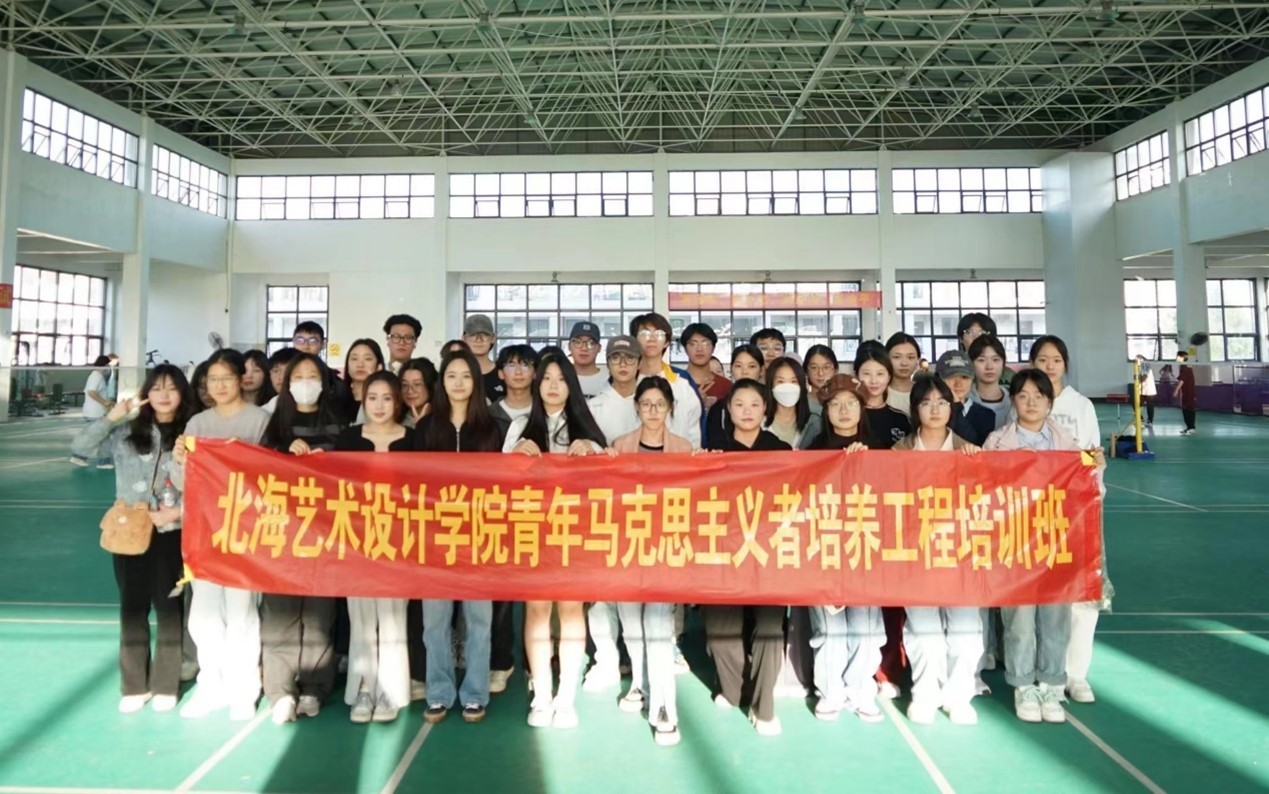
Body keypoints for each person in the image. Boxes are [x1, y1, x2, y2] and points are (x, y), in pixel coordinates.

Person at [984, 369, 1105, 724]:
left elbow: (1087, 476)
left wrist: (1096, 461)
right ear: (1013, 401)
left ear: (1050, 403)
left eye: (1039, 396)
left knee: (1055, 618)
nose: (1031, 403)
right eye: (1023, 396)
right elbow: (984, 488)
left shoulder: (1066, 444)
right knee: (1019, 621)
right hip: (1014, 544)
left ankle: (1052, 684)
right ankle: (1023, 686)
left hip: (1057, 544)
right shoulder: (997, 442)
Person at [71, 364, 194, 714]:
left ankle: (166, 684)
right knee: (132, 607)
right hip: (128, 532)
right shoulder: (126, 431)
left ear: (182, 394)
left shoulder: (192, 433)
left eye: (171, 388)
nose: (163, 395)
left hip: (172, 533)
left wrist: (178, 512)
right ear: (146, 393)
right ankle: (134, 685)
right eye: (156, 388)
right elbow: (81, 447)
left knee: (169, 609)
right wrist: (113, 416)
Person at [504, 349, 609, 729]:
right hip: (533, 532)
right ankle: (542, 695)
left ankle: (566, 696)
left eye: (561, 379)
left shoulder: (586, 427)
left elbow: (611, 477)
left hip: (574, 534)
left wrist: (594, 452)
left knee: (570, 611)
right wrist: (514, 457)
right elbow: (498, 482)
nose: (553, 385)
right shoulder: (520, 426)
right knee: (536, 611)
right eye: (547, 378)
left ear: (572, 386)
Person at [170, 349, 271, 721]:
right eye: (213, 380)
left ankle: (244, 690)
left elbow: (271, 476)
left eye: (227, 378)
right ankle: (211, 685)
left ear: (241, 379)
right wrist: (180, 461)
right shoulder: (197, 423)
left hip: (245, 533)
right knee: (204, 614)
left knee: (242, 612)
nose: (220, 385)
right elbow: (184, 483)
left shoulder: (260, 420)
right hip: (205, 532)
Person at [415, 350, 503, 725]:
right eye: (451, 375)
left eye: (466, 375)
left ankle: (475, 693)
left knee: (478, 620)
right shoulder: (426, 427)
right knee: (435, 622)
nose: (458, 382)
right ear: (441, 382)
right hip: (435, 538)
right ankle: (438, 692)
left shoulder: (491, 428)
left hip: (479, 536)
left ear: (476, 382)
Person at [259, 354, 347, 724]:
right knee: (280, 616)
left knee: (318, 615)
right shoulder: (275, 424)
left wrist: (327, 458)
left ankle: (314, 687)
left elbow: (351, 471)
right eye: (298, 376)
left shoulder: (339, 423)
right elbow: (257, 468)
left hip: (325, 532)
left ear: (325, 383)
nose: (305, 382)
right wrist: (284, 453)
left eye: (313, 375)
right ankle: (280, 691)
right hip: (282, 532)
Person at [893, 375, 983, 725]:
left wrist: (979, 465)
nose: (935, 409)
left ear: (951, 407)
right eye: (926, 402)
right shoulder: (898, 454)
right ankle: (925, 694)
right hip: (915, 555)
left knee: (966, 630)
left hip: (961, 555)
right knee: (923, 629)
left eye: (942, 402)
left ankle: (959, 696)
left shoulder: (968, 451)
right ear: (915, 409)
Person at [704, 379, 791, 736]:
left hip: (769, 554)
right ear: (728, 409)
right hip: (724, 553)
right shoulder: (715, 452)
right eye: (739, 404)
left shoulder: (781, 450)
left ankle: (764, 708)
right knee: (719, 629)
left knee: (770, 629)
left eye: (755, 404)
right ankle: (734, 689)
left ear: (765, 409)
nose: (747, 411)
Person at [609, 377, 691, 746]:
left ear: (670, 408)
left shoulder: (684, 449)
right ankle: (640, 686)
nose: (653, 411)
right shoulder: (620, 446)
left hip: (665, 551)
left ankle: (664, 710)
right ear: (637, 407)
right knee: (631, 626)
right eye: (646, 404)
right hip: (626, 549)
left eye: (660, 404)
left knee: (657, 626)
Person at [333, 371, 413, 723]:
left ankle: (390, 690)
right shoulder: (349, 438)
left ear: (398, 402)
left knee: (392, 617)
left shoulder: (413, 440)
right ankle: (364, 686)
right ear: (363, 401)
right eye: (372, 398)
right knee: (362, 618)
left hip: (399, 541)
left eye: (387, 398)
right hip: (357, 539)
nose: (379, 406)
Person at [1029, 335, 1105, 705]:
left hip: (1078, 510)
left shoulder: (1081, 405)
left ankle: (1077, 674)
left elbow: (1093, 456)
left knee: (1082, 596)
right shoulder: (1024, 401)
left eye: (1055, 359)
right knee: (1040, 594)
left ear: (1065, 364)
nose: (1049, 366)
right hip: (1034, 513)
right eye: (1042, 359)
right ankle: (1048, 670)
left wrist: (1077, 468)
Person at [805, 375, 885, 724]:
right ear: (825, 410)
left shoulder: (881, 451)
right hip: (824, 552)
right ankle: (830, 693)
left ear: (862, 407)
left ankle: (861, 690)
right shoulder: (812, 453)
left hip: (866, 550)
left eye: (851, 403)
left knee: (866, 628)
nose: (843, 410)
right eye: (835, 404)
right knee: (830, 629)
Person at [580, 335, 642, 693]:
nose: (623, 364)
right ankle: (605, 659)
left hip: (647, 504)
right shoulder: (595, 406)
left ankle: (641, 658)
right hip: (604, 505)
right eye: (616, 358)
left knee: (638, 587)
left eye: (629, 358)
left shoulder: (653, 399)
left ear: (639, 362)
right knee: (602, 589)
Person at [631, 313, 702, 449]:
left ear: (667, 342)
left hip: (677, 458)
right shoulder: (625, 383)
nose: (652, 338)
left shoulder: (682, 385)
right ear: (634, 340)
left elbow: (693, 433)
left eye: (659, 333)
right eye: (645, 333)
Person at [705, 343, 763, 448]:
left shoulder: (772, 403)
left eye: (751, 366)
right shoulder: (718, 409)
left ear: (761, 370)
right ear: (731, 369)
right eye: (738, 366)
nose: (745, 372)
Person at [855, 347, 911, 450]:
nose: (874, 381)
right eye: (866, 374)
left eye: (880, 374)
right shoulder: (848, 416)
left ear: (889, 377)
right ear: (857, 376)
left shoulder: (901, 419)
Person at [936, 350, 995, 446]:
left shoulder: (986, 415)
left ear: (972, 379)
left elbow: (975, 446)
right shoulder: (932, 411)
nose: (958, 384)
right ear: (938, 380)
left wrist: (956, 407)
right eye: (952, 377)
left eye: (964, 377)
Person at [764, 356, 822, 449]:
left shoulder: (814, 424)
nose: (788, 387)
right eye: (780, 381)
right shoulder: (758, 422)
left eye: (794, 381)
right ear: (771, 385)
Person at [71, 354, 116, 468]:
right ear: (105, 365)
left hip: (96, 412)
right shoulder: (96, 376)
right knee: (98, 437)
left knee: (98, 436)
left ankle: (102, 460)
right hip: (94, 413)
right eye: (108, 365)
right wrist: (104, 402)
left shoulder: (97, 376)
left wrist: (107, 403)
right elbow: (91, 392)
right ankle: (81, 457)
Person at [680, 322, 731, 412]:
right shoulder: (675, 382)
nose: (699, 349)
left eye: (705, 343)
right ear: (685, 349)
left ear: (713, 348)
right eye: (693, 344)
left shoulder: (726, 386)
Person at [968, 335, 1011, 430]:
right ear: (971, 364)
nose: (989, 367)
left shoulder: (1014, 400)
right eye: (981, 360)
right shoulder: (965, 400)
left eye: (995, 360)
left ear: (1003, 363)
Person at [489, 344, 539, 426]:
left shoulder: (546, 410)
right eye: (511, 366)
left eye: (525, 365)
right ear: (501, 373)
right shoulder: (488, 414)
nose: (518, 372)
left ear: (535, 373)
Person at [462, 314, 502, 401]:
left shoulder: (503, 373)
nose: (479, 340)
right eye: (473, 335)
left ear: (493, 338)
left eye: (484, 335)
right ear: (464, 338)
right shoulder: (457, 373)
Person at [342, 339, 386, 417]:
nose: (360, 364)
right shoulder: (336, 399)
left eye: (367, 359)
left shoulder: (386, 403)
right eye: (354, 359)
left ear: (379, 367)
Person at [567, 321, 608, 399]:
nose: (584, 348)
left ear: (599, 348)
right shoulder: (561, 378)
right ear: (569, 346)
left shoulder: (610, 380)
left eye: (591, 343)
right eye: (578, 342)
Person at [885, 333, 921, 414]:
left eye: (910, 357)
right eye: (897, 357)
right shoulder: (879, 392)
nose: (904, 363)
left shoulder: (924, 392)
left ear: (918, 360)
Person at [400, 357, 437, 429]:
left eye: (417, 384)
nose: (410, 391)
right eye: (405, 385)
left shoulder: (445, 419)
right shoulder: (394, 420)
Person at [1176, 352, 1196, 435]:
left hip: (1189, 392)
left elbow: (1182, 380)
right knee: (1185, 410)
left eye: (1177, 356)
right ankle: (1189, 427)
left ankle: (1192, 428)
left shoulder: (1186, 366)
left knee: (1189, 410)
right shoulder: (1183, 366)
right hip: (1185, 392)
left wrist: (1176, 390)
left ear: (1182, 357)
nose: (1176, 358)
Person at [1136, 354, 1157, 428]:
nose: (1136, 361)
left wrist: (1137, 381)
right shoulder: (1140, 367)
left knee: (1149, 406)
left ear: (1142, 360)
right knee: (1138, 404)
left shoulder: (1145, 365)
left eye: (1137, 360)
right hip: (1143, 390)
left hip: (1149, 390)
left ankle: (1150, 421)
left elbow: (1144, 377)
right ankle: (1140, 419)